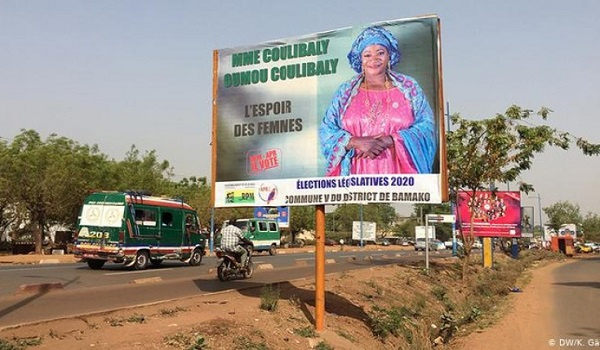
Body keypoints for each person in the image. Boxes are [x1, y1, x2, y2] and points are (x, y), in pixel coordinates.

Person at [319, 26, 437, 176]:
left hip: (401, 182)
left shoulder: (409, 88)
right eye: (367, 55)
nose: (374, 59)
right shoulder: (345, 92)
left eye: (380, 53)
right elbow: (327, 130)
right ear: (360, 59)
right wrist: (354, 142)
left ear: (389, 55)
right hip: (355, 180)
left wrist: (390, 140)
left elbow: (426, 127)